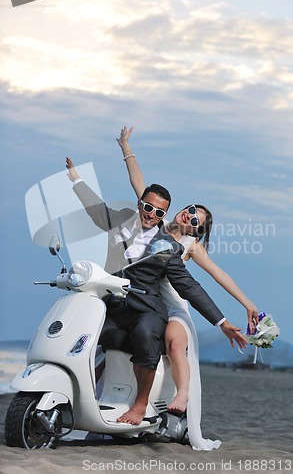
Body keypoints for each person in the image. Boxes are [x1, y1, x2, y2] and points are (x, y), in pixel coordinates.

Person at [65, 154, 247, 433]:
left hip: (150, 305)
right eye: (147, 207)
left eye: (158, 212)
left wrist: (223, 322)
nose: (152, 214)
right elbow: (98, 208)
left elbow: (190, 286)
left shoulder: (175, 247)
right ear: (141, 204)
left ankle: (141, 404)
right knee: (83, 332)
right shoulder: (127, 218)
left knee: (147, 333)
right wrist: (77, 179)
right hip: (112, 299)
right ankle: (79, 395)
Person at [115, 126, 259, 449]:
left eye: (198, 220)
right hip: (144, 299)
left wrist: (247, 304)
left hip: (175, 303)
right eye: (193, 210)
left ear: (197, 230)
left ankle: (181, 393)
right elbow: (139, 185)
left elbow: (219, 276)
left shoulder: (192, 245)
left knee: (175, 343)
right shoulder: (157, 220)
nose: (191, 217)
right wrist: (126, 147)